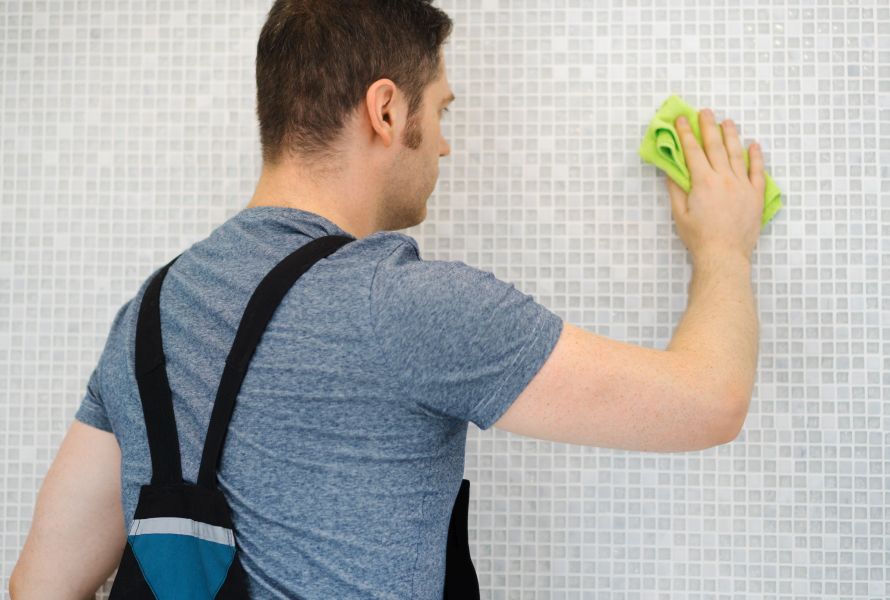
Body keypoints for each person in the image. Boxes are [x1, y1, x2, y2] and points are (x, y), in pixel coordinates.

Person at [9, 0, 764, 598]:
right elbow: (710, 400)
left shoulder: (148, 313)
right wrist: (723, 246)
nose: (442, 142)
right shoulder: (405, 305)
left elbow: (41, 584)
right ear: (385, 109)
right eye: (441, 110)